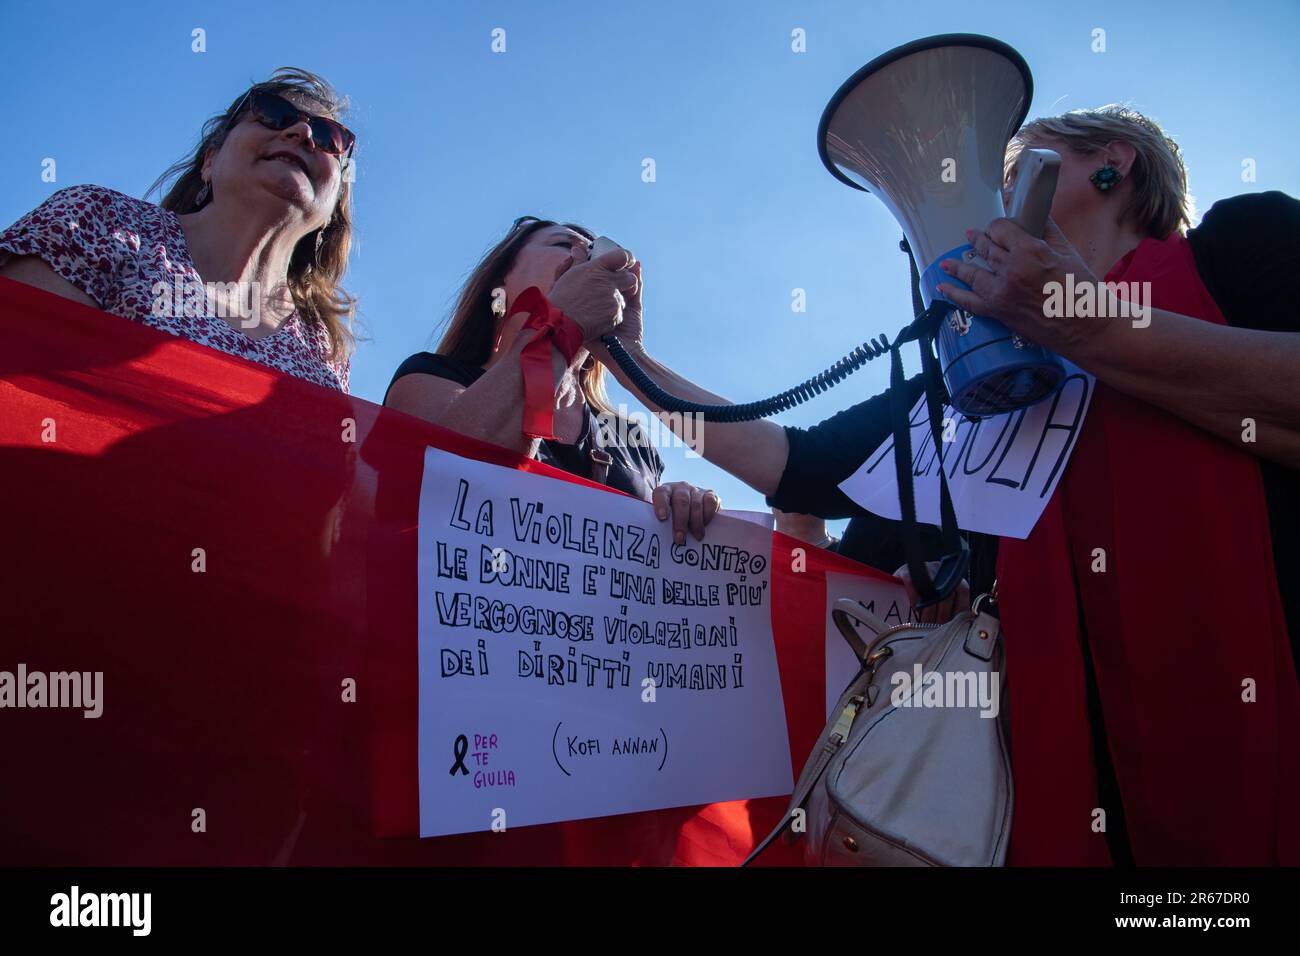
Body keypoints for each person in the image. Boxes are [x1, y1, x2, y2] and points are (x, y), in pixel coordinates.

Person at [593, 105, 1300, 866]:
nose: (991, 203)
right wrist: (628, 354)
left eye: (1012, 173)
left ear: (1113, 162)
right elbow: (784, 457)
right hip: (1058, 789)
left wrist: (1080, 323)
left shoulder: (1240, 244)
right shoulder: (971, 376)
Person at [0, 68, 357, 391]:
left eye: (330, 137)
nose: (304, 132)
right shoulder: (99, 221)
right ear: (210, 161)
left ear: (330, 211)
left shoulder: (325, 349)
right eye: (274, 114)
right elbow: (16, 379)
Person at [385, 217, 721, 544]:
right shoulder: (430, 378)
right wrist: (562, 325)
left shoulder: (631, 439)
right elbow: (444, 491)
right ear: (500, 280)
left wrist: (678, 505)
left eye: (594, 252)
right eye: (565, 245)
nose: (585, 258)